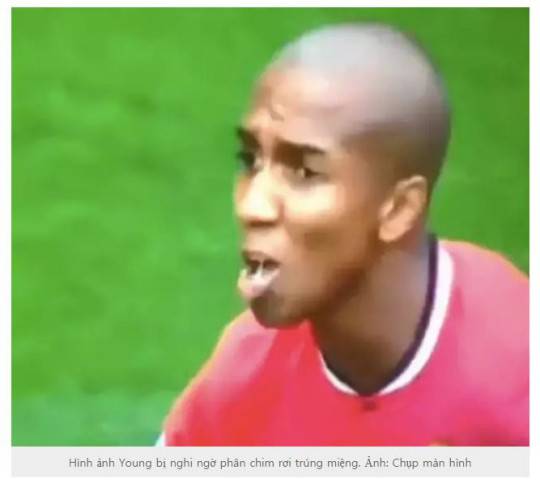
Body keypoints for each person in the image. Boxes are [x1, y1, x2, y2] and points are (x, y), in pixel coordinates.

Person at [159, 23, 528, 446]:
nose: (251, 206)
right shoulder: (244, 375)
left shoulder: (517, 377)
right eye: (251, 160)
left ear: (399, 209)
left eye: (304, 172)